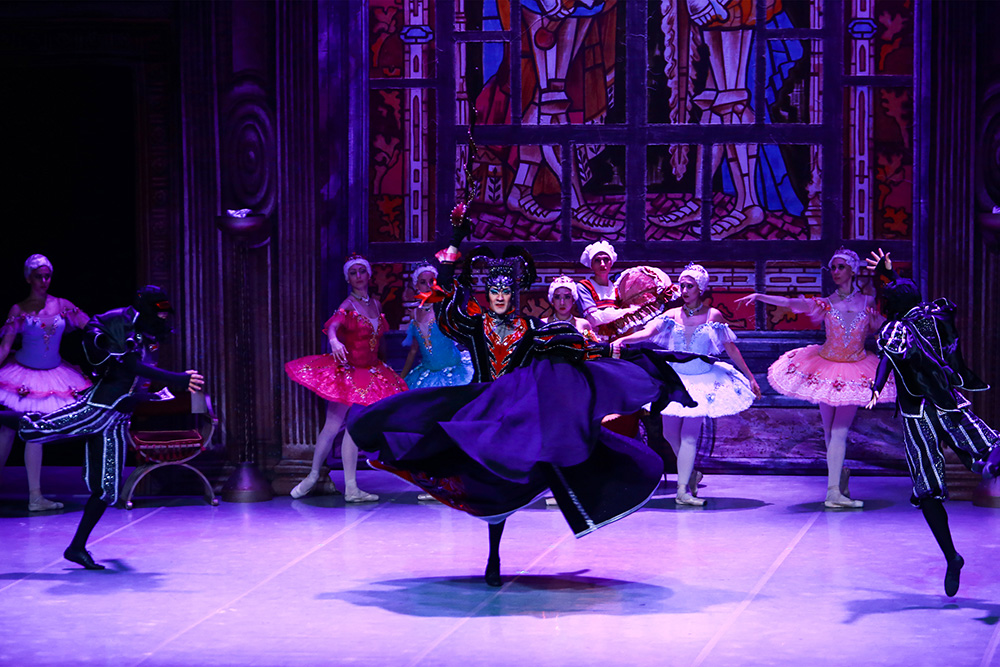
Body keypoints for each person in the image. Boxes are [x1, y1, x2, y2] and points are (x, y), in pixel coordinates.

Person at [343, 211, 697, 587]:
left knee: (543, 457)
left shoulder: (529, 328)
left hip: (518, 411)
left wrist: (612, 351)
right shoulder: (475, 325)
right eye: (493, 290)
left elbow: (568, 346)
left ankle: (519, 528)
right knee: (473, 471)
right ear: (487, 293)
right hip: (481, 407)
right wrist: (454, 242)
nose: (499, 296)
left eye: (505, 291)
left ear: (514, 294)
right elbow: (444, 306)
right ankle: (493, 553)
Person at [1, 286, 204, 569]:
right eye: (158, 309)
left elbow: (138, 377)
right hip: (99, 408)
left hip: (117, 418)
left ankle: (76, 548)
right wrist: (178, 379)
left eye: (164, 310)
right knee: (37, 429)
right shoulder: (124, 325)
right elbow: (132, 366)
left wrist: (153, 394)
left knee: (107, 490)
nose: (162, 314)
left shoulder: (147, 332)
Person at [865, 248, 999, 597]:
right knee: (965, 461)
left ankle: (952, 551)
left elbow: (890, 350)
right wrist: (889, 275)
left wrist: (876, 387)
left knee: (932, 488)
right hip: (934, 407)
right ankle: (954, 555)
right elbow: (904, 303)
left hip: (927, 408)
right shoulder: (932, 315)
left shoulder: (901, 327)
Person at [736, 248, 896, 508]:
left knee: (839, 431)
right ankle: (838, 481)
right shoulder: (825, 303)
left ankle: (833, 492)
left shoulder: (868, 302)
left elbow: (884, 323)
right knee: (830, 432)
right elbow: (790, 303)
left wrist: (887, 273)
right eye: (833, 267)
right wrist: (759, 296)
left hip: (855, 370)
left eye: (841, 267)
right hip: (825, 368)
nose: (835, 272)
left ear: (853, 270)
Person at [616, 263, 761, 506]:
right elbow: (647, 332)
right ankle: (691, 473)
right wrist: (624, 339)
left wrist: (750, 377)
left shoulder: (713, 315)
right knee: (669, 433)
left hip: (701, 381)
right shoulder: (672, 315)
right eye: (681, 285)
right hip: (674, 380)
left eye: (689, 286)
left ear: (700, 288)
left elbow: (731, 349)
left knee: (689, 436)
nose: (684, 290)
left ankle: (683, 491)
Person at [285, 255, 407, 502]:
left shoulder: (376, 304)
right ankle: (312, 476)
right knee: (332, 426)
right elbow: (333, 326)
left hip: (370, 372)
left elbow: (378, 340)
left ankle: (350, 487)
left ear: (369, 275)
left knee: (353, 427)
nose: (358, 276)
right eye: (353, 273)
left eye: (362, 271)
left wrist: (383, 363)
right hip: (348, 372)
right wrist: (333, 340)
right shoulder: (348, 304)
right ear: (347, 278)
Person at [0, 254, 91, 512]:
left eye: (47, 276)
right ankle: (33, 497)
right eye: (38, 276)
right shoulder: (19, 310)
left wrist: (113, 334)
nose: (44, 281)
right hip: (22, 376)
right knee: (6, 431)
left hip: (54, 375)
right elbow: (5, 347)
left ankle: (35, 497)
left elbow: (91, 326)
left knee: (35, 431)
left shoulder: (62, 305)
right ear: (28, 278)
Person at [399, 263, 474, 389]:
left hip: (454, 373)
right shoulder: (414, 314)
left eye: (431, 281)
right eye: (423, 282)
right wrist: (401, 378)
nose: (428, 286)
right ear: (416, 286)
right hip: (428, 375)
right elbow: (413, 350)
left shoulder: (444, 308)